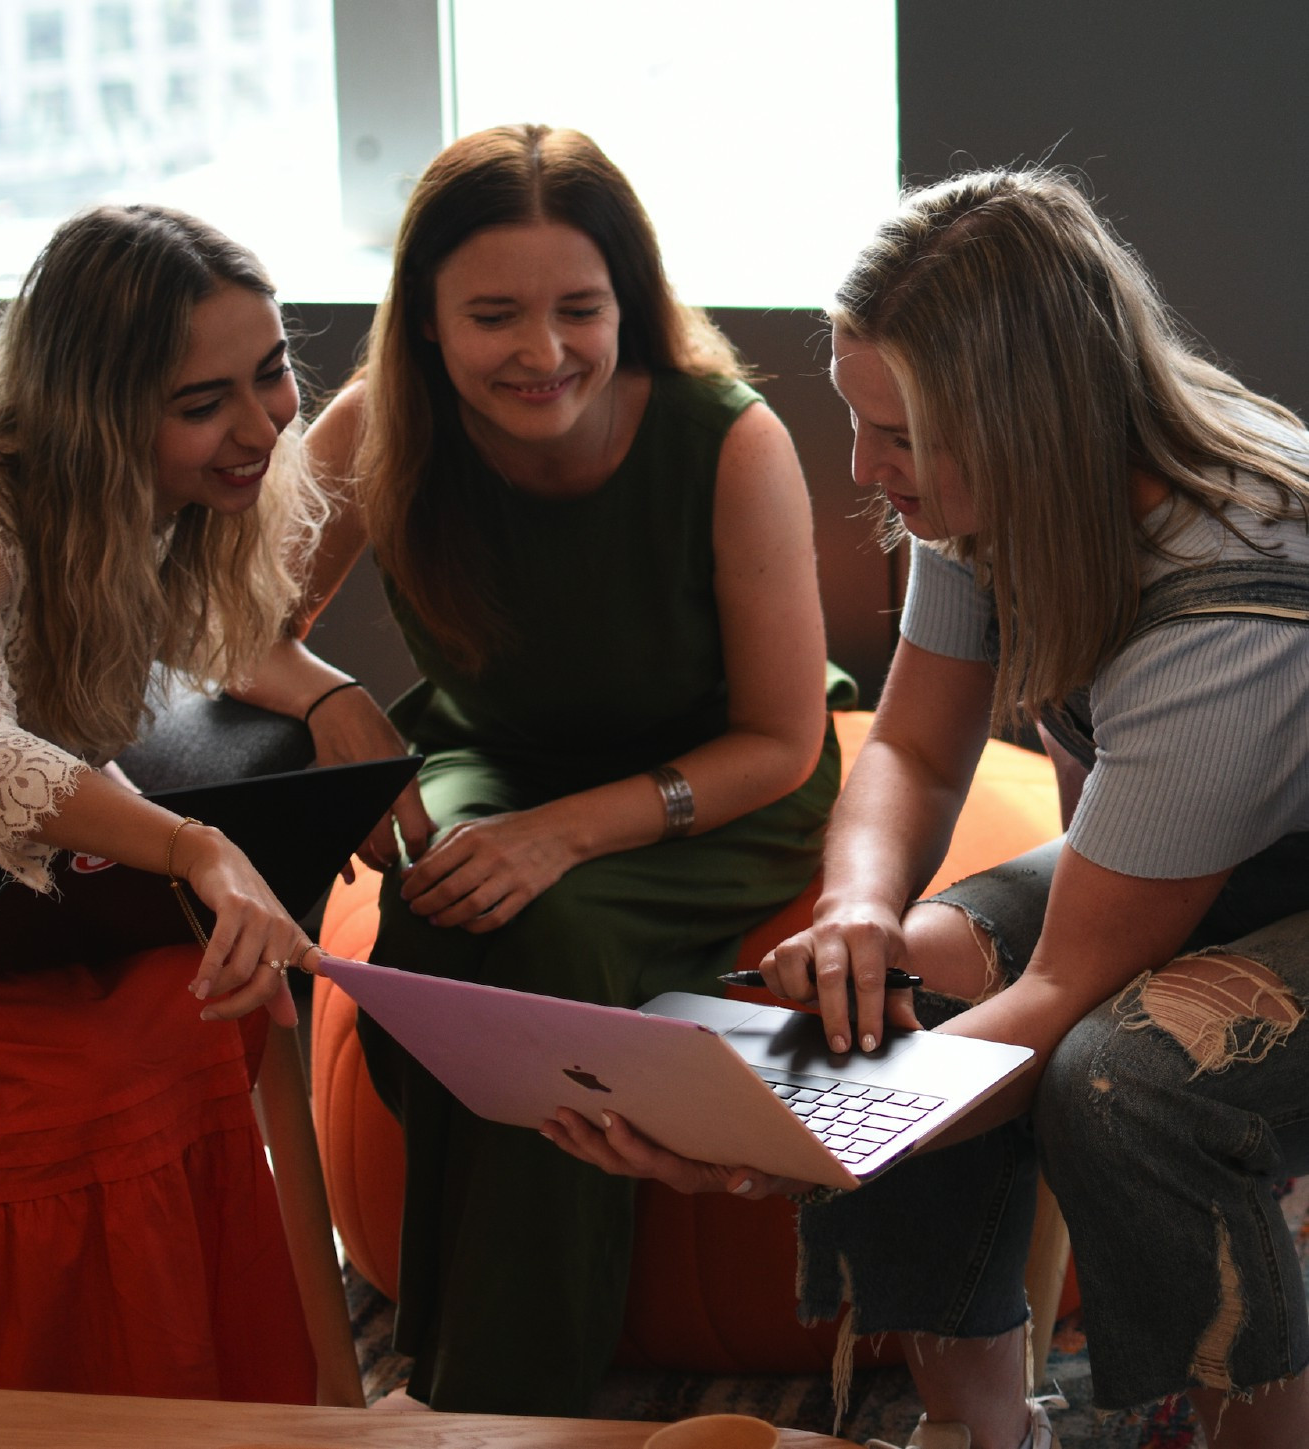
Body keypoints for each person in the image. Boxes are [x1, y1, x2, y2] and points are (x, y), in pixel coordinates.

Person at [545, 167, 1309, 1449]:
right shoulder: (1002, 488)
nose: (862, 467)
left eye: (897, 437)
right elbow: (906, 740)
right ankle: (982, 1429)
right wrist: (856, 917)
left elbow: (1065, 996)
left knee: (1121, 1085)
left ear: (1027, 422)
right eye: (859, 421)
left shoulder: (1239, 600)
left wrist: (784, 1133)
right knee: (869, 998)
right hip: (1205, 848)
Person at [297, 122, 847, 1415]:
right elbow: (223, 629)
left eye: (581, 309)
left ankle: (495, 1395)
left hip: (719, 780)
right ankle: (467, 1362)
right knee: (432, 921)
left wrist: (566, 834)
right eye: (494, 314)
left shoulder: (729, 438)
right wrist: (331, 701)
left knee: (531, 930)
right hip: (493, 750)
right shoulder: (376, 425)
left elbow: (779, 741)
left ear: (630, 303)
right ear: (426, 320)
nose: (543, 353)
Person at [0, 203, 346, 1402]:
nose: (261, 425)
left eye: (271, 375)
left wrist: (329, 693)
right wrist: (193, 845)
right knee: (77, 1082)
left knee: (196, 1003)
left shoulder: (133, 506)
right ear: (96, 417)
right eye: (205, 404)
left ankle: (262, 1405)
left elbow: (167, 661)